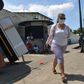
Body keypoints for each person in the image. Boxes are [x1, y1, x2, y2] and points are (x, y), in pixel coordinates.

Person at [45, 13, 71, 83]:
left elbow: (69, 35)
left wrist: (64, 37)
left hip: (64, 45)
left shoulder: (67, 27)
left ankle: (53, 68)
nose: (63, 20)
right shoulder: (54, 26)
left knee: (57, 57)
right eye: (61, 18)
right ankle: (63, 75)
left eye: (64, 18)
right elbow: (50, 36)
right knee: (60, 57)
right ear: (58, 19)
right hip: (55, 44)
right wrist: (47, 42)